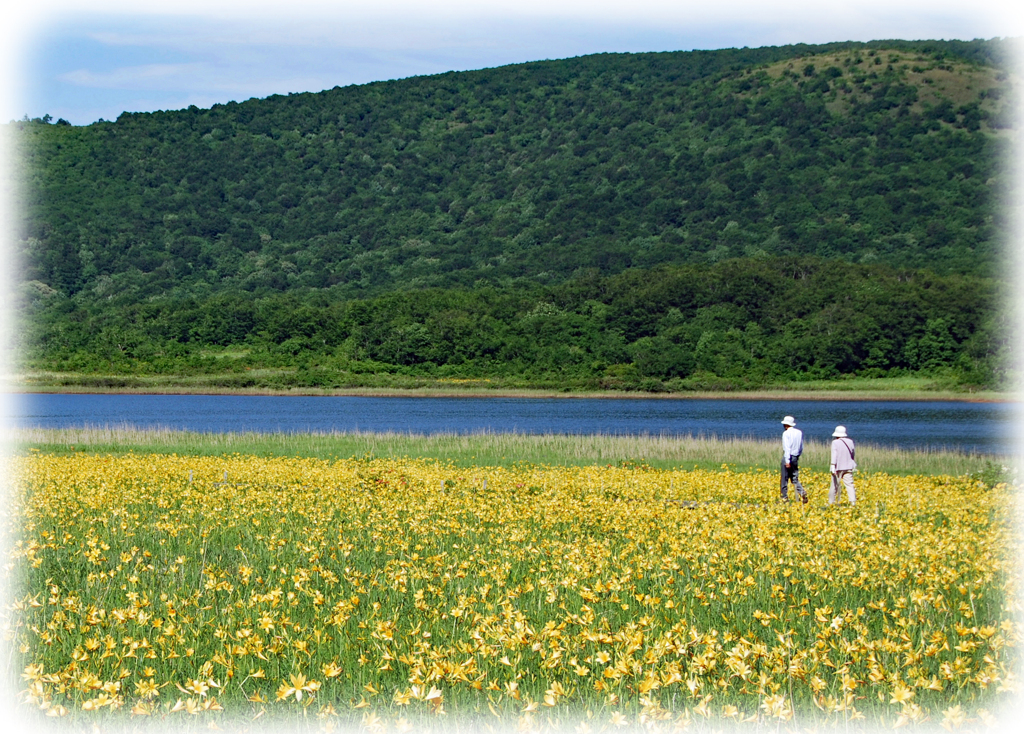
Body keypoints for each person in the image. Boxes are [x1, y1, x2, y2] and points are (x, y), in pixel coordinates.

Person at [780, 416, 808, 504]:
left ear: (786, 424)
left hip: (788, 456)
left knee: (784, 478)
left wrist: (787, 460)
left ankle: (784, 497)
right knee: (794, 477)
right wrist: (798, 455)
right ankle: (802, 492)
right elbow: (801, 446)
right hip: (795, 456)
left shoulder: (786, 433)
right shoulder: (799, 432)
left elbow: (787, 448)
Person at [828, 425, 856, 505]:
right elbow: (853, 453)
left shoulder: (835, 442)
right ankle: (852, 501)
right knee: (850, 484)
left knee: (834, 485)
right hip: (848, 466)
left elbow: (834, 455)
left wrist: (833, 465)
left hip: (838, 467)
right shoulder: (850, 441)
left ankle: (831, 502)